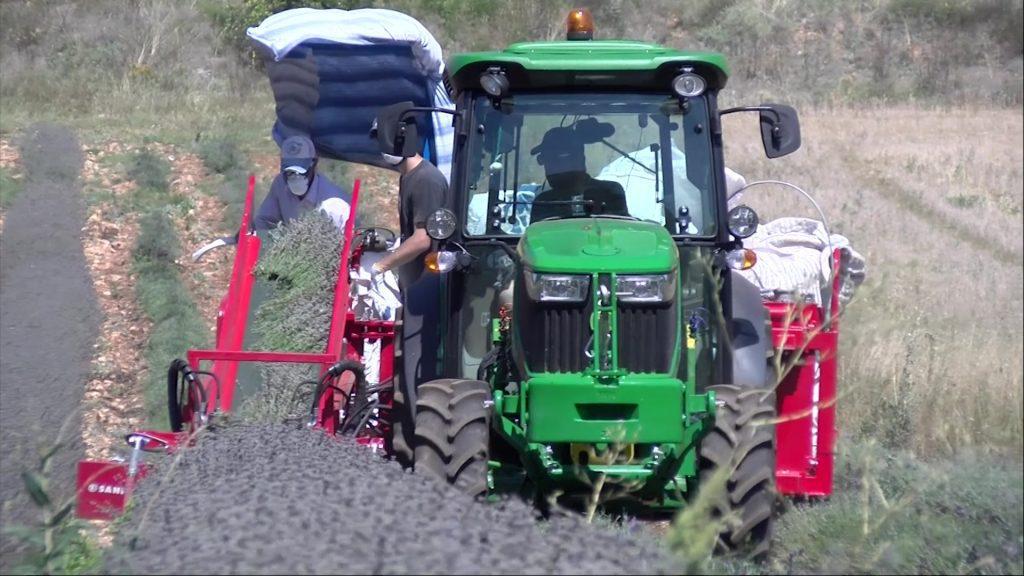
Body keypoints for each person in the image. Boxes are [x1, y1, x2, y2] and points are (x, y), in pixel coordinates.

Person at [367, 102, 448, 461]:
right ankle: (410, 445)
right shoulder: (409, 178)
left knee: (420, 365)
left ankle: (424, 453)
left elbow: (423, 239)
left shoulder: (427, 180)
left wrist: (381, 266)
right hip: (413, 283)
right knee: (407, 364)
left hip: (427, 287)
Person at [529, 125, 629, 222]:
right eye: (545, 160)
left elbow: (621, 232)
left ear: (577, 160)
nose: (547, 167)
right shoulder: (544, 202)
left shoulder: (609, 193)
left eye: (551, 160)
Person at [254, 135, 351, 231]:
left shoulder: (335, 205)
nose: (295, 178)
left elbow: (343, 242)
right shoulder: (280, 184)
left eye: (301, 172)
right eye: (290, 173)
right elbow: (264, 220)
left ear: (314, 165)